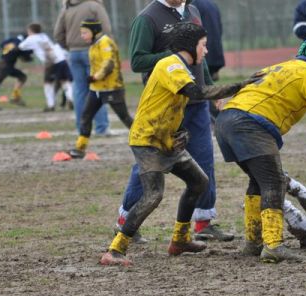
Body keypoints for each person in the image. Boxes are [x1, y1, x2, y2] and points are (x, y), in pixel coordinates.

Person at [100, 23, 262, 266]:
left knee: (199, 182)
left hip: (166, 139)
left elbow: (172, 104)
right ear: (190, 46)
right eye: (203, 46)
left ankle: (180, 239)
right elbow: (195, 93)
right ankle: (115, 250)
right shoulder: (171, 64)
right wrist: (239, 86)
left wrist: (181, 131)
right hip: (148, 140)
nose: (206, 52)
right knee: (154, 195)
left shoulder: (181, 66)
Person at [214, 36, 306, 263]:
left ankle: (253, 242)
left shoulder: (278, 66)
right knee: (274, 182)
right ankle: (273, 245)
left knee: (258, 181)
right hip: (250, 123)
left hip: (226, 119)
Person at [122, 0, 234, 243]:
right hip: (167, 106)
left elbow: (199, 55)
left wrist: (209, 88)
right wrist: (177, 54)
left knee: (205, 160)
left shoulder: (192, 11)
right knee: (149, 165)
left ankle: (204, 222)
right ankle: (125, 220)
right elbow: (137, 61)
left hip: (196, 102)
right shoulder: (147, 18)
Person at [67, 19, 133, 159]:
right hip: (96, 89)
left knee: (125, 118)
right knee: (86, 116)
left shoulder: (105, 43)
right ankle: (80, 148)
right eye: (81, 33)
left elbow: (108, 64)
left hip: (112, 88)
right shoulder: (93, 44)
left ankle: (148, 142)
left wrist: (95, 77)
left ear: (94, 31)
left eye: (85, 32)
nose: (82, 36)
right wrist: (93, 80)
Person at [54, 0, 111, 136]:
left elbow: (57, 33)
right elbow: (106, 29)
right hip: (93, 51)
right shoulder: (94, 6)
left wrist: (70, 47)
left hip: (74, 53)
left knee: (79, 91)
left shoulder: (67, 7)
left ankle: (82, 129)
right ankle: (101, 128)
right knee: (97, 88)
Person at [18, 23, 73, 112]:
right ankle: (71, 99)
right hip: (61, 60)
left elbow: (21, 47)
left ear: (30, 31)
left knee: (48, 84)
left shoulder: (31, 38)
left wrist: (24, 40)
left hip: (51, 62)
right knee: (65, 81)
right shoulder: (44, 36)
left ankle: (51, 105)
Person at [192, 0, 225, 81]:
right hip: (215, 51)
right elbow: (220, 28)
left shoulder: (193, 5)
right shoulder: (212, 4)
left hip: (202, 53)